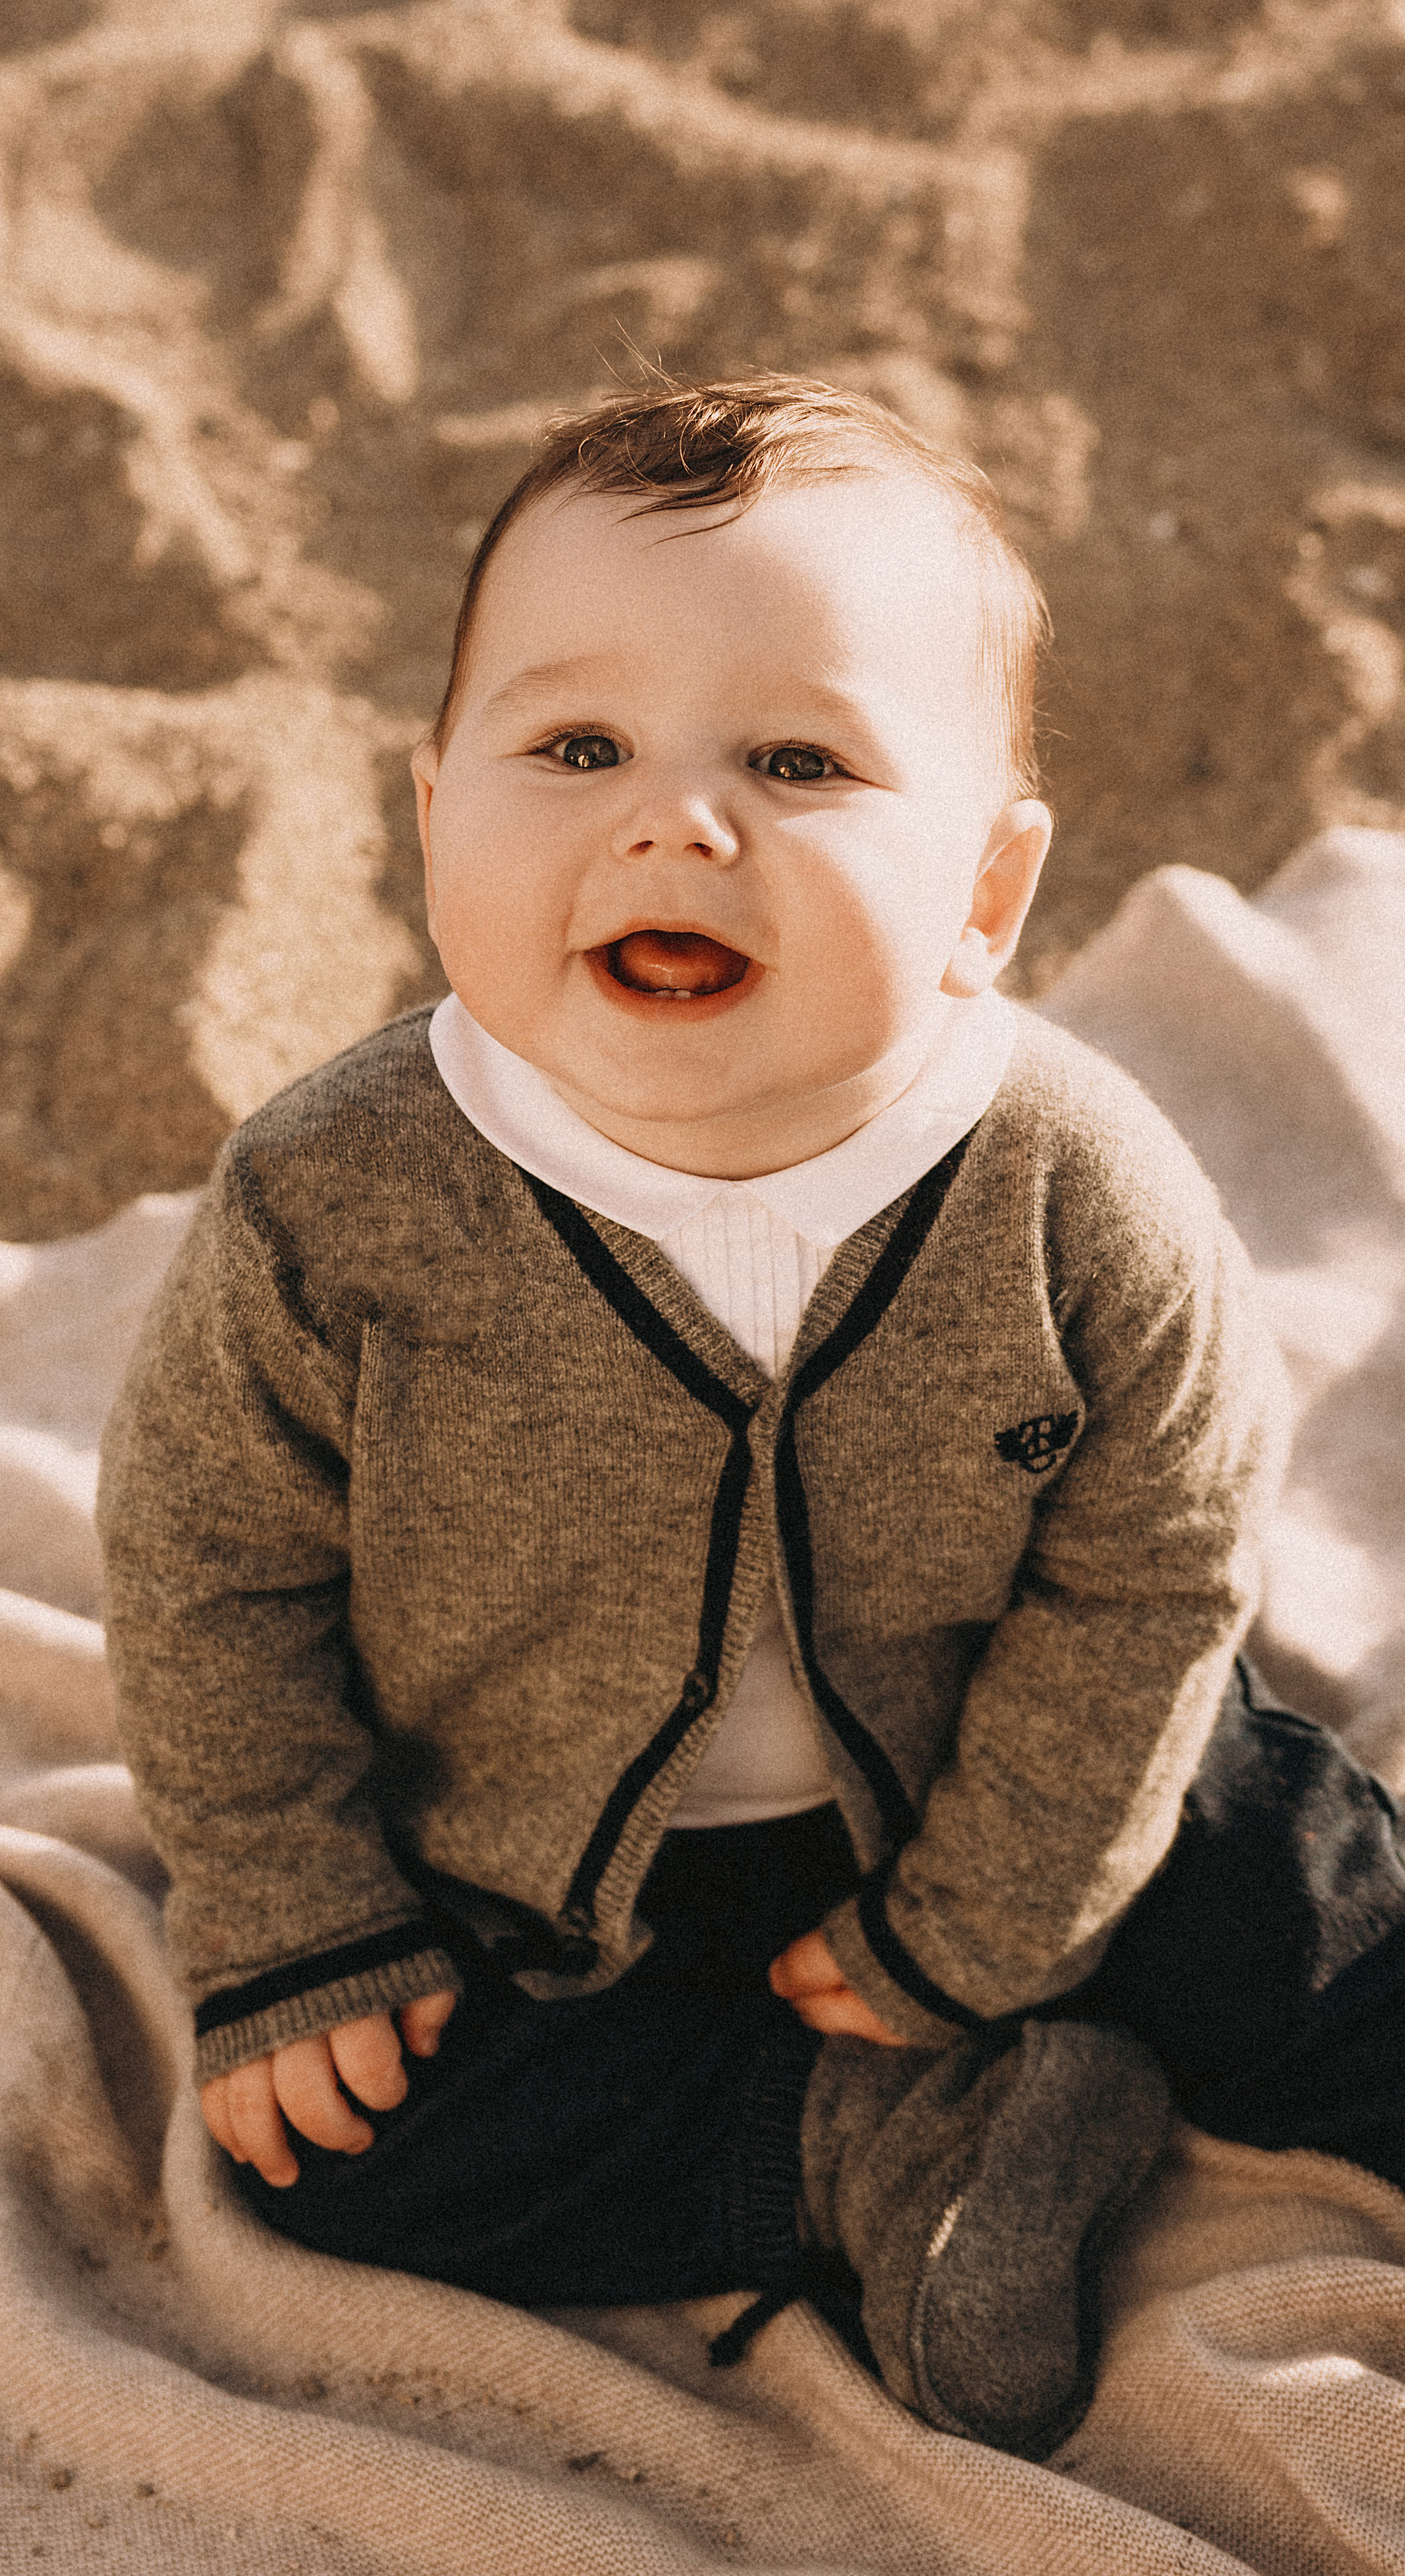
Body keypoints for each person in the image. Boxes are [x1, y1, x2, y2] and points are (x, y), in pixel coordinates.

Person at [98, 375, 1405, 2448]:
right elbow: (209, 1575)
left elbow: (1160, 1567)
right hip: (533, 1851)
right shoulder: (334, 1202)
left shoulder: (1074, 1183)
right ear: (436, 812)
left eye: (796, 760)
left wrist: (984, 1918)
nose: (674, 819)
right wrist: (293, 1913)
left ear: (988, 890)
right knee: (328, 2138)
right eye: (577, 746)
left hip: (1013, 1769)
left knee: (1297, 1883)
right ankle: (866, 2148)